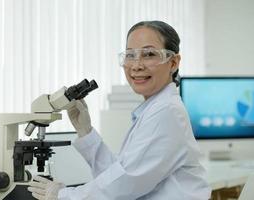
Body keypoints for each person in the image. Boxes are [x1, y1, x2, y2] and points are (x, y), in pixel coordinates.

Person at [28, 20, 211, 200]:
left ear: (173, 63)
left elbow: (124, 185)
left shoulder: (166, 112)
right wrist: (85, 131)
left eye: (149, 54)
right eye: (130, 55)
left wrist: (62, 196)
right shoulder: (155, 109)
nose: (136, 65)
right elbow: (119, 173)